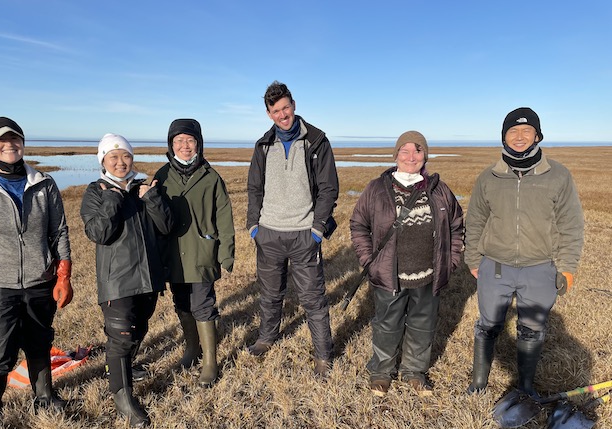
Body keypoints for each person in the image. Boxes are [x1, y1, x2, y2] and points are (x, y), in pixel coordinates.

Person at [0, 116, 73, 429]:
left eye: (15, 139)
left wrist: (63, 274)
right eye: (1, 141)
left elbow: (59, 231)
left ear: (23, 142)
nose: (9, 145)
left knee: (39, 341)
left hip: (40, 280)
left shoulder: (44, 184)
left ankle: (45, 398)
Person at [465, 108, 584, 395]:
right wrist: (472, 258)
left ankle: (526, 387)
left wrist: (566, 267)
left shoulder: (558, 175)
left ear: (537, 136)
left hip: (540, 267)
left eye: (526, 131)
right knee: (488, 325)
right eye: (512, 131)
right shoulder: (489, 177)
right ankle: (479, 383)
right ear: (504, 137)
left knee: (532, 328)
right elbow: (476, 220)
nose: (519, 137)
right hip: (495, 266)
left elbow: (571, 224)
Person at [349, 131, 464, 396]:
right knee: (387, 324)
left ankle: (414, 371)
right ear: (396, 155)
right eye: (405, 151)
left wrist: (451, 261)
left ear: (425, 156)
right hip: (390, 274)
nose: (411, 157)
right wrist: (370, 260)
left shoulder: (439, 189)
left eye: (418, 151)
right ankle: (381, 372)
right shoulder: (377, 188)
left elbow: (457, 226)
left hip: (428, 274)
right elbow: (359, 225)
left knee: (423, 324)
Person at [246, 81, 339, 377]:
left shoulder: (317, 141)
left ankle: (323, 356)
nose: (282, 114)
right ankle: (267, 337)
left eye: (286, 107)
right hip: (269, 233)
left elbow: (329, 189)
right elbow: (254, 188)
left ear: (294, 105)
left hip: (303, 235)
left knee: (313, 298)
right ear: (269, 114)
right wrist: (253, 226)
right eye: (276, 110)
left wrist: (317, 229)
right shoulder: (263, 145)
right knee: (270, 294)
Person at [80, 134, 173, 427]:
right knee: (120, 337)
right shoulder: (96, 191)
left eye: (126, 157)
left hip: (148, 276)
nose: (121, 163)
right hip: (117, 279)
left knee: (140, 327)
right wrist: (112, 199)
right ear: (103, 161)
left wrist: (152, 197)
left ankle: (125, 369)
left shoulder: (143, 187)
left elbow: (166, 226)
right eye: (113, 157)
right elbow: (99, 233)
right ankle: (123, 398)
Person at [155, 119, 235, 387]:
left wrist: (226, 252)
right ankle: (192, 349)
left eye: (189, 140)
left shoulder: (211, 177)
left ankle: (210, 362)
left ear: (198, 143)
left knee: (203, 303)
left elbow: (224, 216)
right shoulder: (162, 176)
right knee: (181, 302)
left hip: (202, 251)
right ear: (171, 145)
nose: (185, 146)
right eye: (179, 141)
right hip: (173, 254)